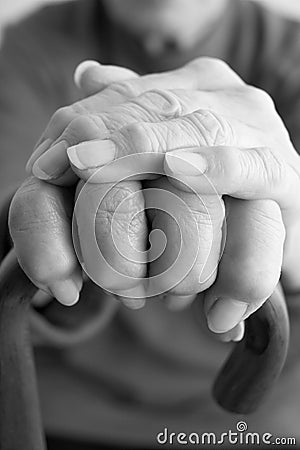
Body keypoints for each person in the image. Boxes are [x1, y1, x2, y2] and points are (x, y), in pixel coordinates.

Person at [1, 0, 300, 448]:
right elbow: (15, 206)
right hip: (67, 412)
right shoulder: (33, 43)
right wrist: (55, 229)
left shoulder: (291, 52)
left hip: (251, 429)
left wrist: (290, 248)